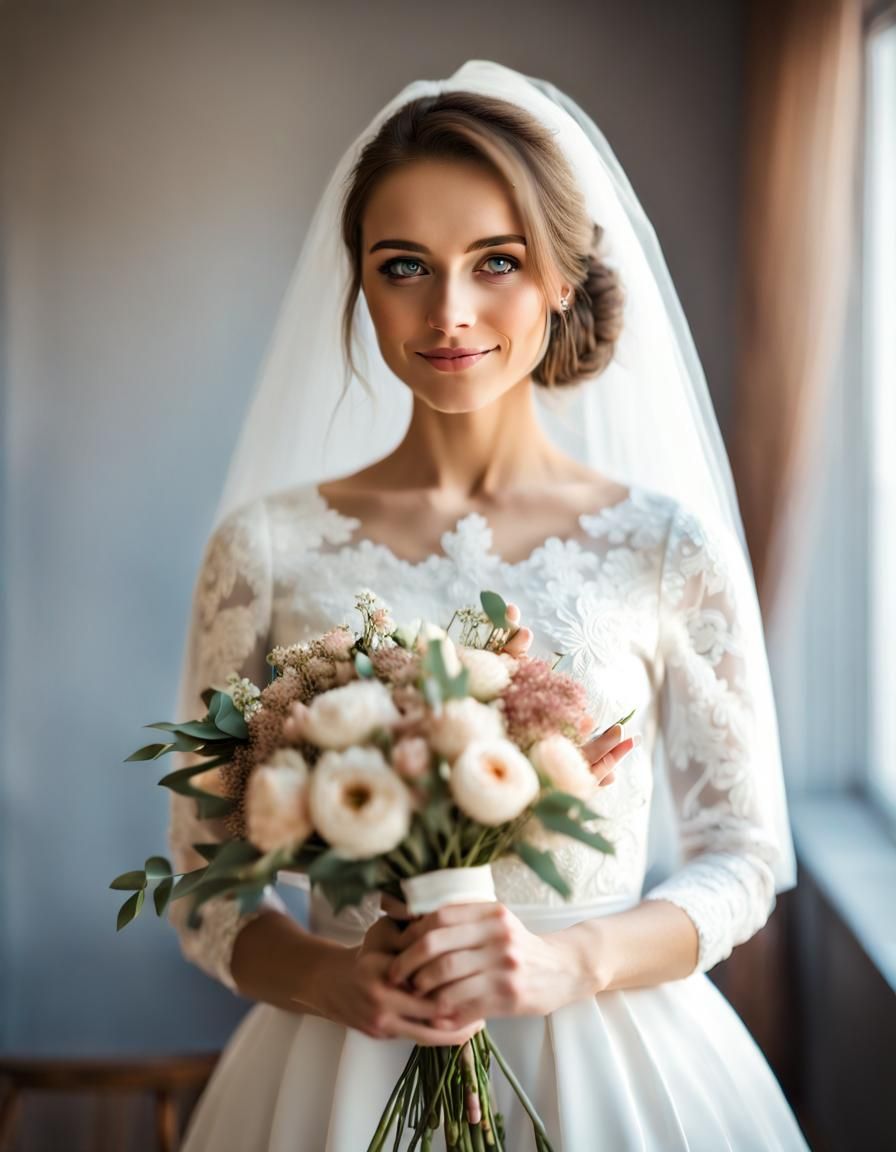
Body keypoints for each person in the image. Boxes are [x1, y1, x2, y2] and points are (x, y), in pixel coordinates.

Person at [167, 60, 812, 1150]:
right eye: (403, 265)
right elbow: (201, 880)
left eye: (496, 263)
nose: (449, 312)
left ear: (561, 278)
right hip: (343, 1073)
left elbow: (742, 854)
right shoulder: (264, 549)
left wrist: (575, 959)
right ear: (360, 284)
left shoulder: (661, 545)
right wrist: (331, 980)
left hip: (610, 1058)